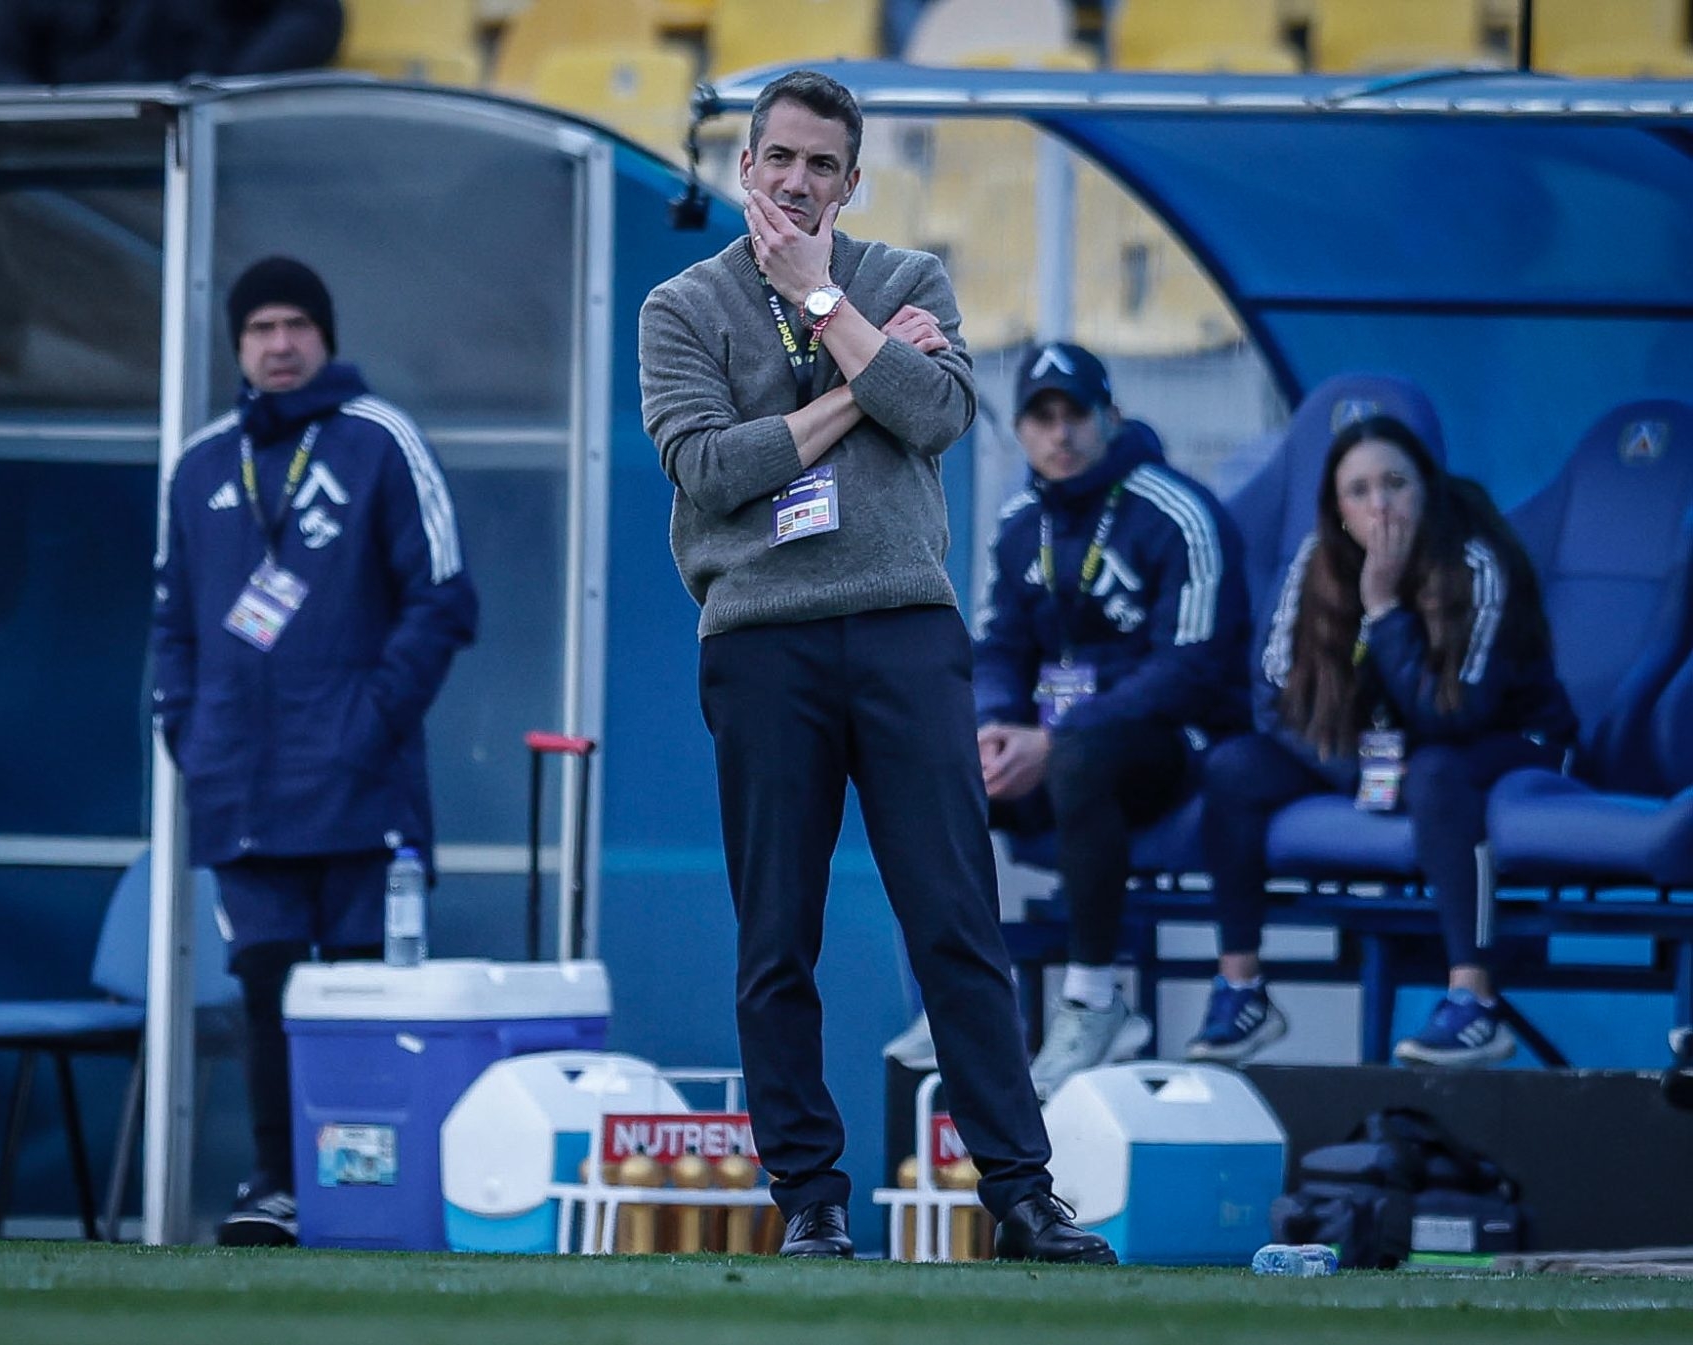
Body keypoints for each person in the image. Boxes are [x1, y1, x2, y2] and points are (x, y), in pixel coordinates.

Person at [637, 69, 1115, 1266]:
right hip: (762, 638)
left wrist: (823, 300)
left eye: (822, 164)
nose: (798, 180)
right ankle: (810, 1198)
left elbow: (941, 417)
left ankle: (1022, 1193)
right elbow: (712, 470)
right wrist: (866, 382)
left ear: (851, 182)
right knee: (777, 935)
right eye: (781, 157)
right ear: (745, 166)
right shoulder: (681, 306)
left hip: (905, 627)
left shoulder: (907, 278)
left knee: (956, 918)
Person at [152, 255, 477, 1245]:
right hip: (239, 792)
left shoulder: (380, 440)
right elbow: (171, 624)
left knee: (364, 989)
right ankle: (278, 1185)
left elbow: (444, 599)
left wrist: (369, 722)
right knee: (268, 988)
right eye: (260, 329)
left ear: (325, 336)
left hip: (358, 784)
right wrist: (187, 730)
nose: (280, 343)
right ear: (237, 345)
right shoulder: (200, 465)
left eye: (297, 324)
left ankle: (369, 1192)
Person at [1186, 411, 1575, 1068]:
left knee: (1437, 772)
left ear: (1427, 487)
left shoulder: (1476, 558)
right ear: (1336, 507)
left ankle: (1473, 999)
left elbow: (1455, 713)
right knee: (1234, 767)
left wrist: (1386, 607)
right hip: (1375, 753)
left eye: (1395, 483)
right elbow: (1273, 699)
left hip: (1505, 738)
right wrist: (1353, 773)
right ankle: (1241, 988)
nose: (1380, 505)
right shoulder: (1315, 558)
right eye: (1359, 490)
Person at [973, 341, 1251, 1099]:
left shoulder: (1177, 511)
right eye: (1041, 418)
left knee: (1080, 759)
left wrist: (1055, 738)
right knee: (936, 767)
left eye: (1075, 413)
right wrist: (996, 726)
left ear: (1111, 417)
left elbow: (1191, 666)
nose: (1059, 433)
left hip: (1176, 742)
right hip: (1056, 743)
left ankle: (1096, 1001)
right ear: (1021, 432)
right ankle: (961, 993)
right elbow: (997, 647)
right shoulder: (1019, 522)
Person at [0, 0, 344, 87]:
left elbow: (313, 14)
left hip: (206, 158)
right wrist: (55, 122)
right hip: (74, 170)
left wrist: (227, 92)